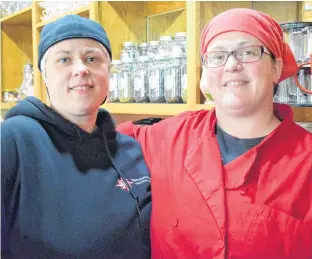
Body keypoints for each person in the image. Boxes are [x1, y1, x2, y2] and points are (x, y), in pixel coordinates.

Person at [117, 8, 312, 259]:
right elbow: (87, 137)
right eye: (217, 56)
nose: (232, 64)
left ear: (276, 67)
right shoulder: (168, 137)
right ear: (206, 74)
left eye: (248, 52)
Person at [1, 15, 151, 259]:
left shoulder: (130, 150)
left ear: (109, 71)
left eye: (92, 58)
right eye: (64, 59)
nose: (81, 69)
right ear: (44, 75)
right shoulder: (13, 140)